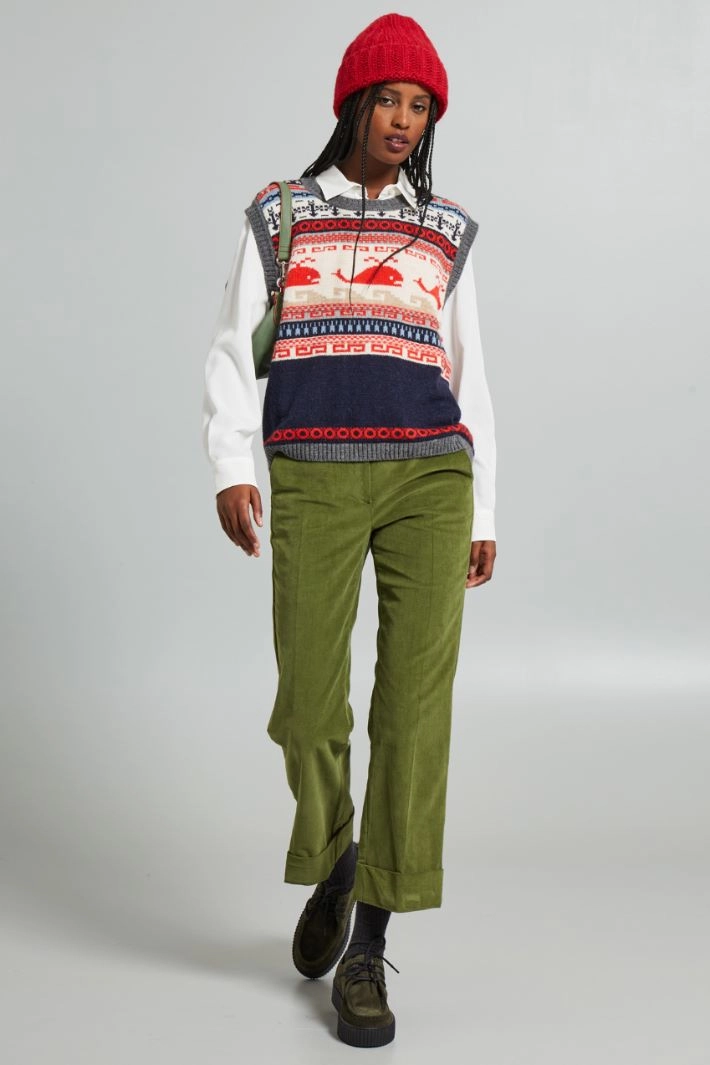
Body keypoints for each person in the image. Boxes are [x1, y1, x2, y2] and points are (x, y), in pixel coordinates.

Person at [202, 12, 497, 1049]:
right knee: (306, 701)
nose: (404, 121)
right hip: (314, 474)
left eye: (420, 107)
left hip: (429, 478)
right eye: (389, 101)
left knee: (414, 709)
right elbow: (232, 350)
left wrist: (484, 509)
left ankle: (368, 940)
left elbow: (469, 371)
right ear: (352, 105)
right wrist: (232, 465)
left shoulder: (444, 229)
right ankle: (336, 857)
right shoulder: (281, 215)